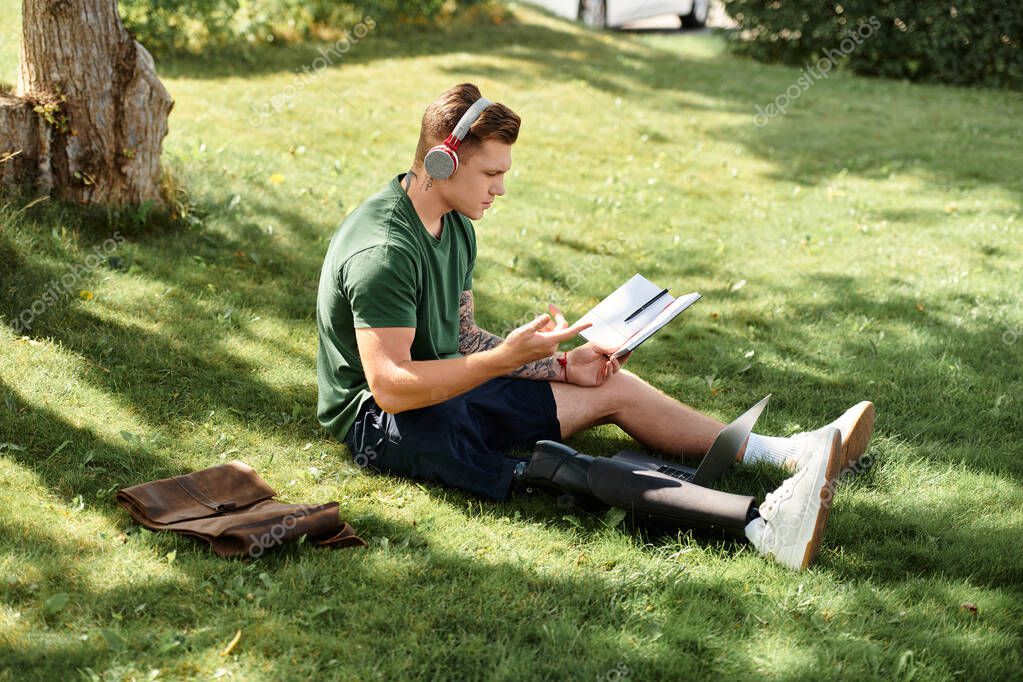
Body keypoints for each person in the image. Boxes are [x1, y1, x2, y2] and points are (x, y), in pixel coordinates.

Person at [316, 83, 875, 570]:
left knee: (610, 385)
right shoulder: (384, 250)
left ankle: (787, 455)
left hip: (447, 387)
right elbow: (391, 388)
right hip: (381, 422)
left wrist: (559, 364)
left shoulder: (455, 224)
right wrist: (502, 361)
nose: (500, 188)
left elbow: (460, 339)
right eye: (491, 173)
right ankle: (763, 526)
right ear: (443, 161)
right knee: (550, 468)